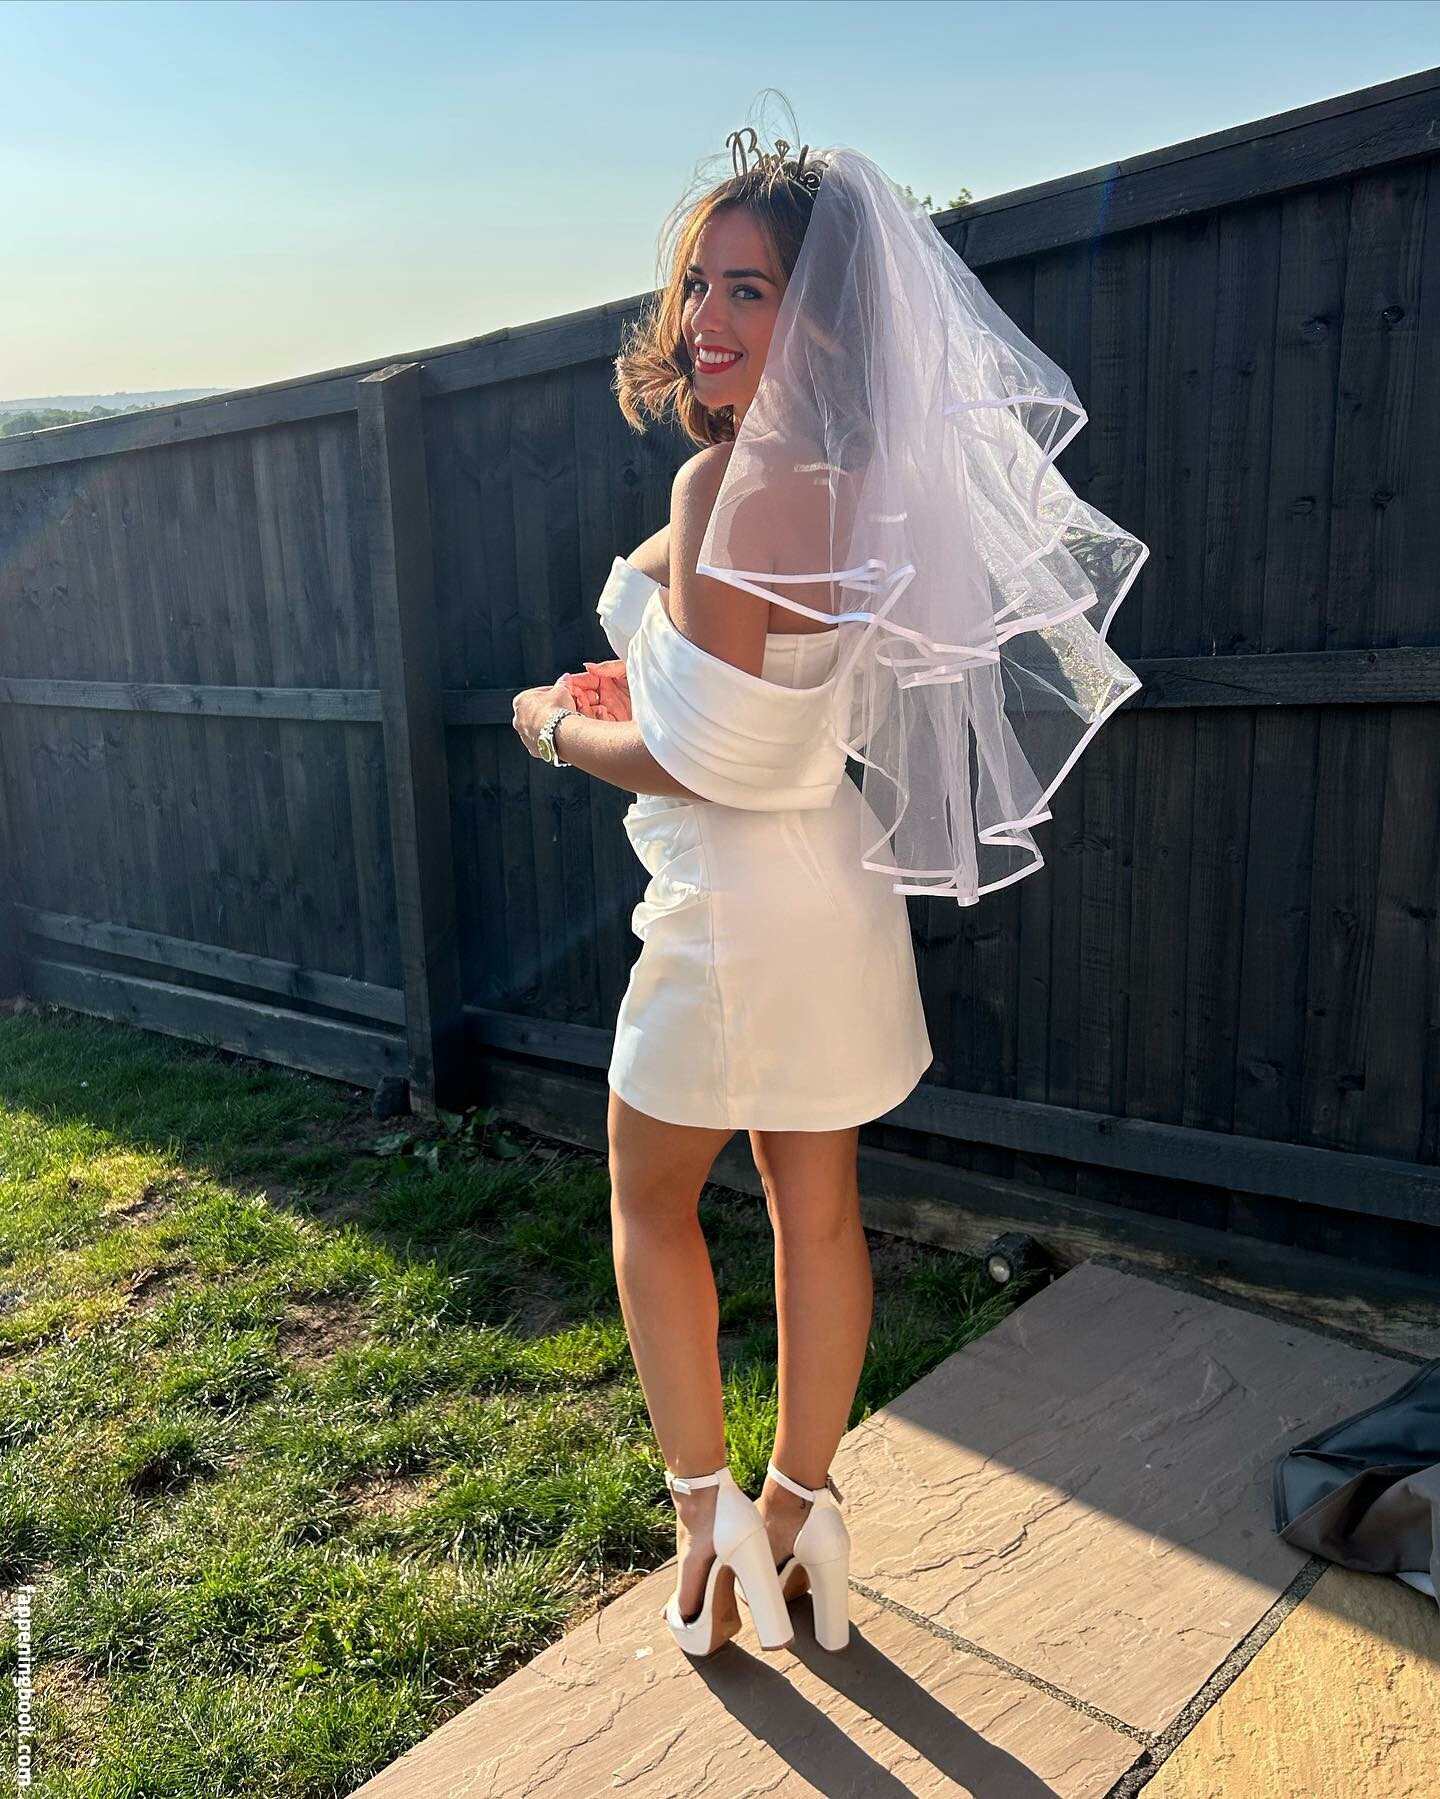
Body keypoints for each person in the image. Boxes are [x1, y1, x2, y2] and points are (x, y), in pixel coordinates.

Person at [511, 109, 1146, 1660]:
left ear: (823, 322)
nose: (709, 320)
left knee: (648, 1201)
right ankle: (803, 1510)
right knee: (819, 1214)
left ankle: (705, 1521)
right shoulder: (873, 486)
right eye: (700, 284)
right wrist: (655, 681)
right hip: (837, 892)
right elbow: (769, 704)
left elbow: (706, 764)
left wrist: (554, 726)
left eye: (753, 290)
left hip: (735, 908)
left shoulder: (719, 492)